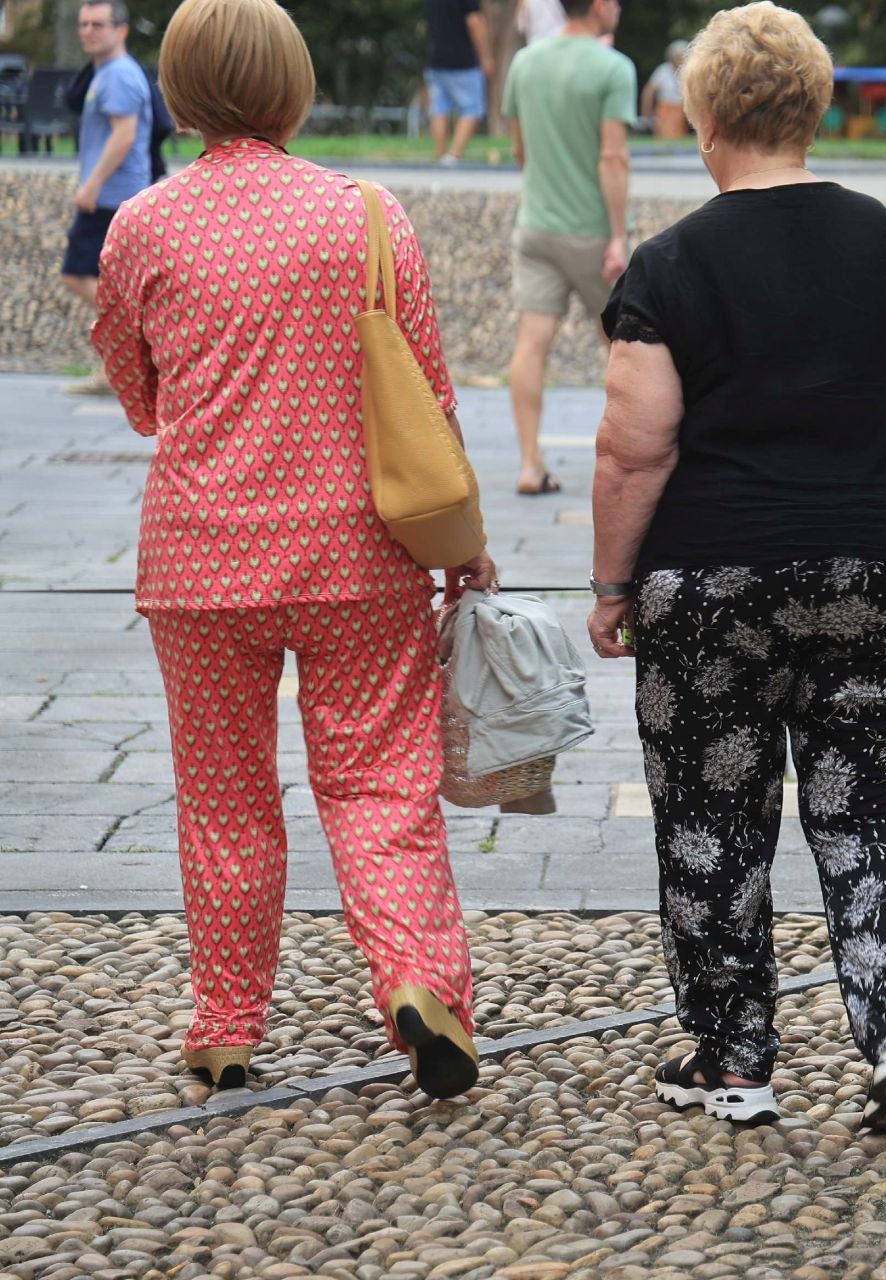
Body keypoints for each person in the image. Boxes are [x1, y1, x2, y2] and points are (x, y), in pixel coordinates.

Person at [587, 1, 886, 1132]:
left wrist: (613, 585)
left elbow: (634, 443)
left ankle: (736, 1056)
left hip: (712, 577)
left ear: (706, 121)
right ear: (812, 113)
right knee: (880, 802)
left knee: (713, 815)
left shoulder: (671, 265)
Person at [92, 0, 497, 1098]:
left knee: (222, 793)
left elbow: (137, 396)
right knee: (379, 781)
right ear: (292, 84)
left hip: (200, 560)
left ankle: (226, 1021)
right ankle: (419, 981)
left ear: (178, 88)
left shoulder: (143, 225)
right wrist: (462, 541)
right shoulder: (367, 214)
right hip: (360, 556)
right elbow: (426, 390)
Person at [501, 0, 635, 497]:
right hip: (594, 233)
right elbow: (613, 157)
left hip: (535, 227)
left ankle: (530, 464)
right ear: (599, 5)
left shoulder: (525, 62)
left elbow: (520, 151)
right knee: (624, 348)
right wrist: (618, 235)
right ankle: (628, 457)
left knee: (532, 342)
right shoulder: (613, 68)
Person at [60, 0, 153, 395]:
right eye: (83, 24)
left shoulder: (118, 75)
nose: (88, 31)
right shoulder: (107, 73)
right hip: (113, 196)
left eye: (98, 24)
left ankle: (133, 344)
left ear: (122, 29)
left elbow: (125, 135)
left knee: (78, 274)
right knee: (94, 279)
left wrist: (93, 184)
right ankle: (118, 364)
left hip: (113, 198)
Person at [425, 0, 495, 166]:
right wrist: (486, 56)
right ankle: (454, 156)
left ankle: (441, 156)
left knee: (439, 109)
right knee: (473, 108)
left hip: (436, 57)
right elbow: (474, 22)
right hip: (463, 60)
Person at [640, 40, 688, 139]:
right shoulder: (663, 71)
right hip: (665, 110)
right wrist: (646, 114)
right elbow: (649, 92)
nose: (680, 61)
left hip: (681, 111)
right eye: (678, 58)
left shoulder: (688, 71)